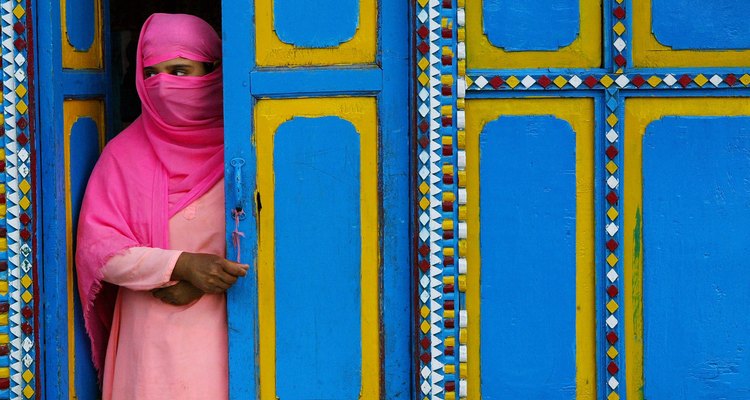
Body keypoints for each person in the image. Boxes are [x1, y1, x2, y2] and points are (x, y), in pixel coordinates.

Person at [75, 13, 247, 399]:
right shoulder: (122, 155)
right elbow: (99, 250)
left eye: (181, 70)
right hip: (148, 344)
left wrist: (208, 282)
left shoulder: (248, 149)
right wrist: (180, 266)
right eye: (152, 73)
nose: (164, 85)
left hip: (231, 333)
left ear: (213, 69)